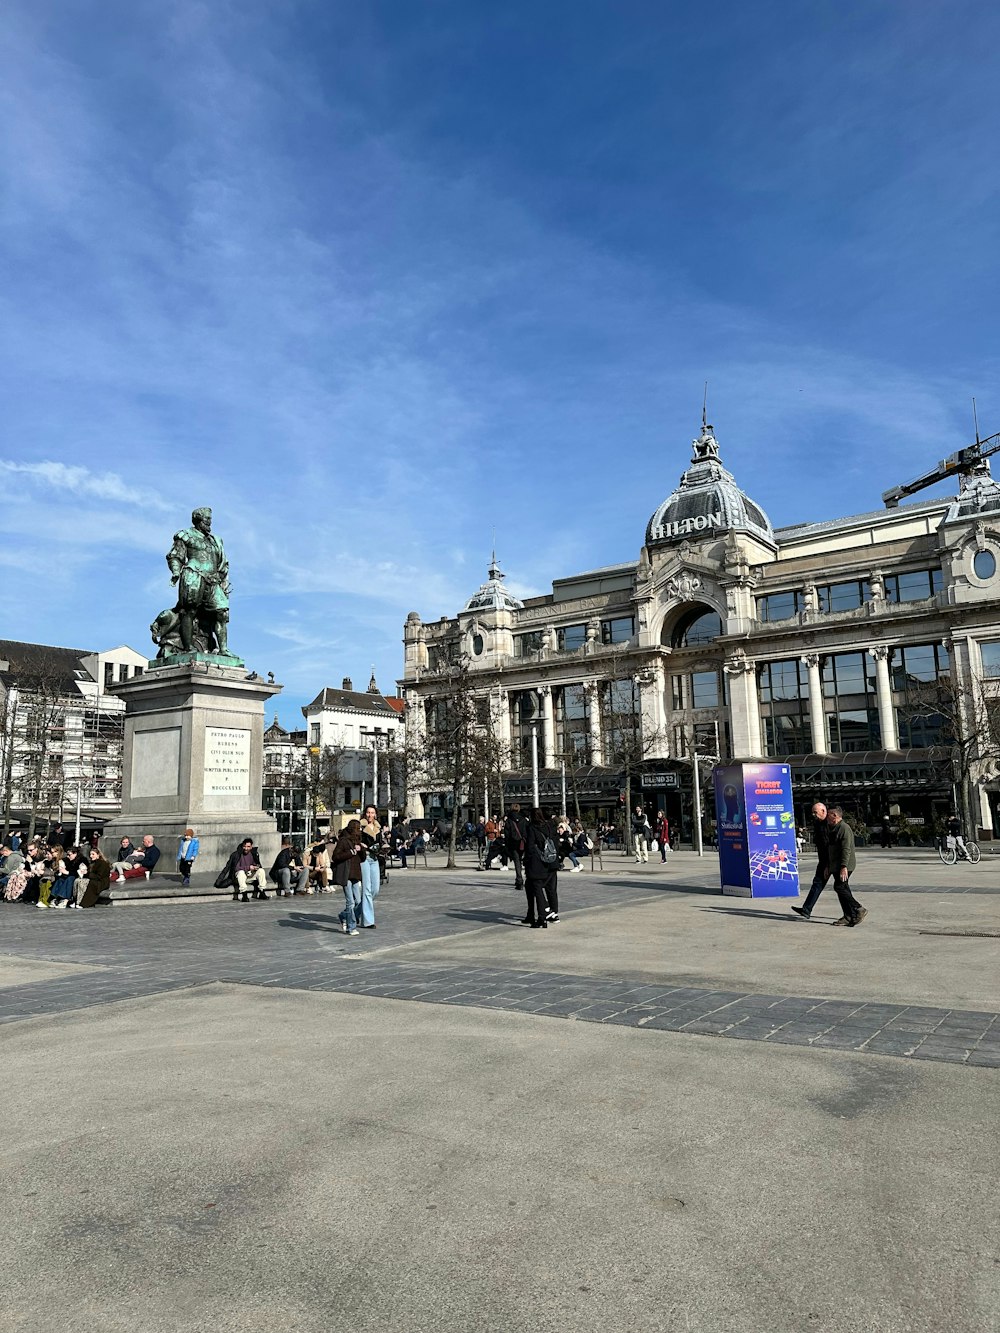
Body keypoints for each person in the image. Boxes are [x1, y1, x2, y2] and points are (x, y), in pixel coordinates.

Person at [165, 505, 231, 655]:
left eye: (210, 519)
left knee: (222, 613)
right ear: (198, 519)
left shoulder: (216, 540)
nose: (210, 522)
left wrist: (222, 579)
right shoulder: (185, 535)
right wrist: (176, 572)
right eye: (207, 519)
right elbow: (175, 555)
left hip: (213, 580)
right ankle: (188, 647)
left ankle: (223, 649)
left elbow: (223, 562)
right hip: (193, 576)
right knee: (189, 611)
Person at [790, 801, 832, 921]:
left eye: (815, 812)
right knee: (817, 884)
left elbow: (829, 846)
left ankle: (855, 910)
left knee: (841, 888)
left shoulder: (829, 824)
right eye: (812, 812)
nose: (813, 815)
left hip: (831, 860)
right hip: (823, 860)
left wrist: (828, 865)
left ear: (823, 811)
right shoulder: (818, 824)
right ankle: (806, 909)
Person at [826, 806, 867, 926]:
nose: (827, 818)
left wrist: (844, 866)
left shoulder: (844, 828)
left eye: (829, 815)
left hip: (845, 865)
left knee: (839, 887)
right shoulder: (834, 828)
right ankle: (849, 916)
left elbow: (846, 849)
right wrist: (829, 865)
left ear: (835, 816)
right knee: (843, 889)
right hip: (836, 864)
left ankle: (858, 908)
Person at [523, 807, 558, 928]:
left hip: (535, 862)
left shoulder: (532, 828)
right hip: (546, 861)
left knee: (536, 889)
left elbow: (530, 846)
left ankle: (542, 917)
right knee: (544, 888)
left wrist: (526, 860)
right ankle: (537, 914)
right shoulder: (548, 826)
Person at [332, 819, 365, 936]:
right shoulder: (343, 841)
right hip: (346, 874)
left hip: (355, 874)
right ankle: (351, 927)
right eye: (357, 828)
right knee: (350, 902)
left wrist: (362, 850)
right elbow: (335, 856)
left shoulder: (358, 841)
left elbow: (363, 858)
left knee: (359, 902)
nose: (359, 830)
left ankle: (343, 915)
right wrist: (350, 852)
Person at [216, 837, 268, 902]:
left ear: (251, 847)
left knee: (261, 871)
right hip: (238, 878)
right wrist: (249, 867)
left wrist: (255, 867)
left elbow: (257, 864)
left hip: (249, 875)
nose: (246, 848)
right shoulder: (236, 854)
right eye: (244, 846)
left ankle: (262, 891)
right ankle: (244, 895)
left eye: (248, 846)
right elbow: (235, 868)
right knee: (241, 872)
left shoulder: (254, 854)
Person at [358, 805, 382, 927]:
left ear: (375, 814)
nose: (370, 815)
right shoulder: (360, 826)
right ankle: (368, 921)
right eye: (368, 812)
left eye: (372, 813)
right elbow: (356, 840)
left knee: (375, 889)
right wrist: (361, 845)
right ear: (365, 814)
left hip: (375, 858)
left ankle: (353, 912)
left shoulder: (378, 828)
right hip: (365, 858)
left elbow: (380, 843)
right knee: (366, 889)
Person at [505, 804, 528, 894]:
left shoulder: (509, 820)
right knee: (525, 860)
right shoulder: (523, 820)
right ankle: (527, 877)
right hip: (523, 843)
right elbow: (527, 831)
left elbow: (507, 835)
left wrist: (507, 845)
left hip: (513, 843)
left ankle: (519, 879)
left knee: (517, 861)